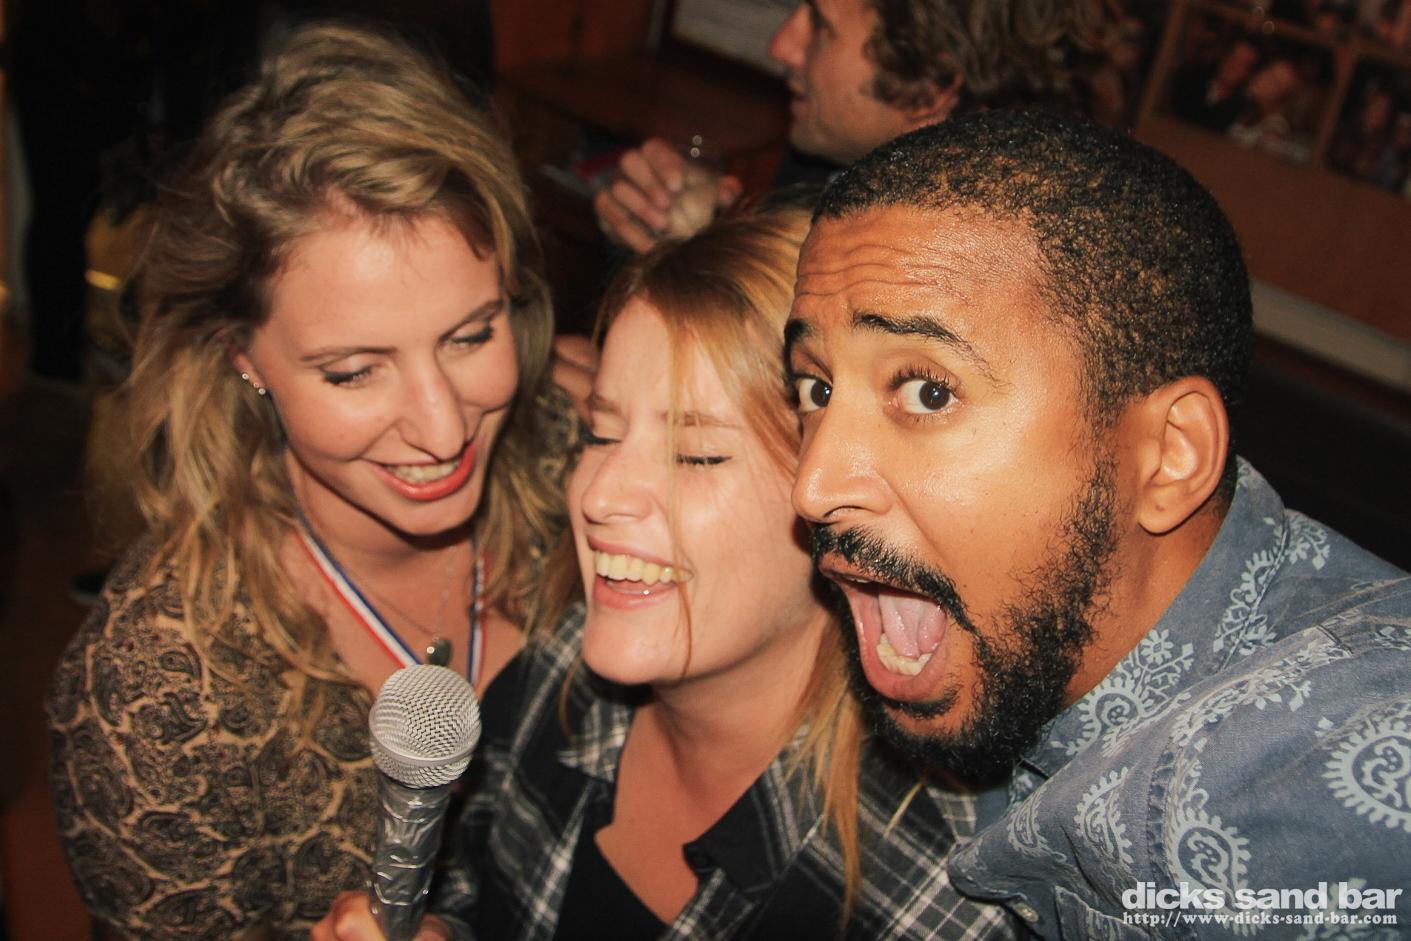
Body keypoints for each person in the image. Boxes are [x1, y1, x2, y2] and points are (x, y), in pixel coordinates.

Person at [785, 108, 1411, 938]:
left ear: (1168, 457)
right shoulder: (1023, 643)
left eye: (928, 391)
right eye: (814, 388)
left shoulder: (1302, 795)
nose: (813, 485)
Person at [314, 207, 1017, 940]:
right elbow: (470, 894)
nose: (599, 495)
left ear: (837, 500)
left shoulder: (941, 896)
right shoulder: (551, 681)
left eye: (696, 454)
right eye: (601, 434)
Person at [46, 21, 571, 939]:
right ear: (240, 355)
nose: (444, 427)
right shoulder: (154, 694)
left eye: (471, 335)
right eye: (353, 371)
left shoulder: (583, 472)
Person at [593, 0, 1105, 254]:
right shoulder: (831, 162)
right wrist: (699, 237)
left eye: (821, 27)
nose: (780, 47)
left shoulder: (962, 266)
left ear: (930, 84)